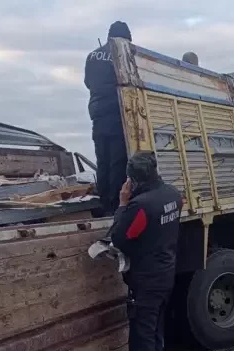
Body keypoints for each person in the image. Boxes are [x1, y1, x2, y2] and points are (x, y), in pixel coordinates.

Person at [110, 151, 183, 351]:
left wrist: (121, 204)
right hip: (165, 276)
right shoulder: (173, 195)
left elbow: (120, 238)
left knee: (141, 349)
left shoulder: (140, 206)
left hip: (147, 283)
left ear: (132, 179)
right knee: (153, 342)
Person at [84, 21, 132, 216]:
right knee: (117, 162)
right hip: (115, 112)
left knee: (102, 160)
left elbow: (88, 83)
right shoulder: (121, 53)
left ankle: (104, 203)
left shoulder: (92, 55)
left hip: (97, 113)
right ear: (124, 38)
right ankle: (114, 206)